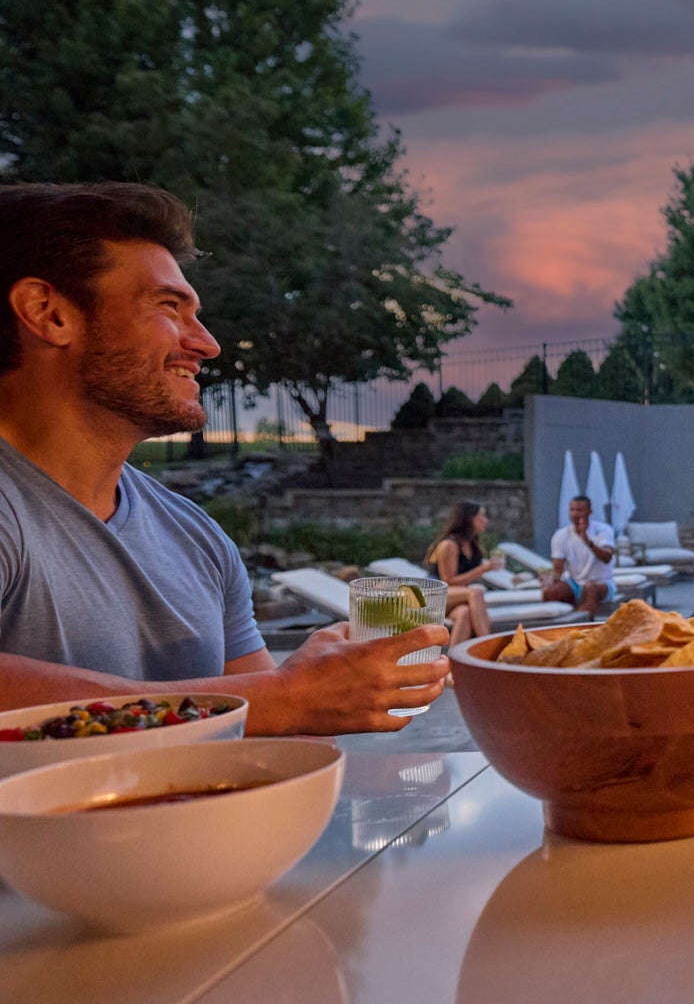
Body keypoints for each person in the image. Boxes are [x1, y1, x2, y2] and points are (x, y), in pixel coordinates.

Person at [0, 182, 448, 733]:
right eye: (169, 306)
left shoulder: (197, 539)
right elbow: (270, 704)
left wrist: (329, 693)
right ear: (48, 313)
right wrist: (282, 699)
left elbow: (263, 724)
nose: (207, 343)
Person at [422, 500, 501, 646]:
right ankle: (488, 645)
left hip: (452, 599)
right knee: (475, 592)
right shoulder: (449, 545)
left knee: (464, 613)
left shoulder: (471, 544)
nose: (485, 520)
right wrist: (483, 569)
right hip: (434, 595)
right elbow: (448, 580)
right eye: (481, 516)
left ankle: (454, 663)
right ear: (469, 519)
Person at [544, 494, 614, 618]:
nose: (575, 514)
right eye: (572, 510)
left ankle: (582, 626)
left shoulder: (603, 530)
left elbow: (607, 557)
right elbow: (558, 568)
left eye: (580, 510)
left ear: (590, 511)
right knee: (550, 592)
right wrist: (552, 582)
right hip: (575, 584)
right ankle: (563, 622)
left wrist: (588, 542)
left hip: (602, 583)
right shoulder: (560, 535)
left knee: (590, 588)